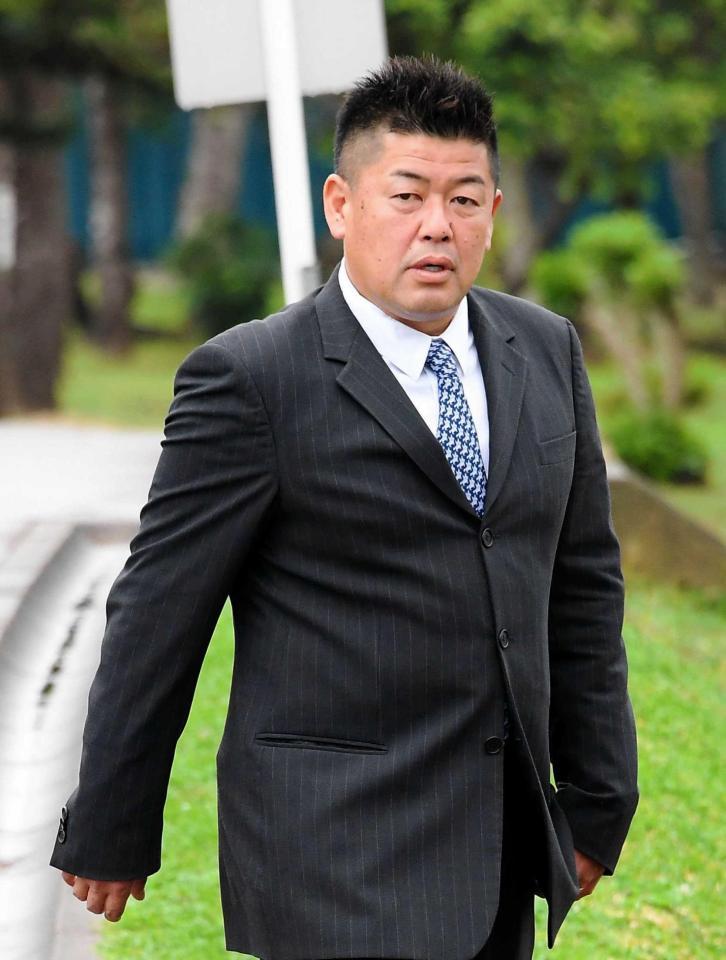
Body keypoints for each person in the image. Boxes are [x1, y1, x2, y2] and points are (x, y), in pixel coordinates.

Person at [50, 55, 638, 960]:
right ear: (341, 204)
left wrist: (598, 798)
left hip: (496, 851)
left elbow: (583, 582)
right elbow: (159, 611)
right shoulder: (251, 379)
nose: (437, 226)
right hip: (330, 853)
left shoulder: (545, 348)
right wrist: (111, 822)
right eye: (407, 196)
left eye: (464, 200)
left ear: (492, 211)